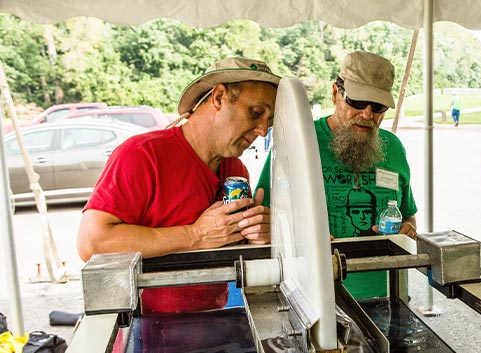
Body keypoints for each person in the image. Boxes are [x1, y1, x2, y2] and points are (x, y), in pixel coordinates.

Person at [77, 57, 278, 314]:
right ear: (218, 97)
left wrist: (255, 234)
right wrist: (195, 235)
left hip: (213, 315)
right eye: (256, 113)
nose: (263, 131)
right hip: (145, 326)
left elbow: (223, 245)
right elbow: (91, 242)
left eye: (269, 120)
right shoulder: (142, 155)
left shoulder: (235, 170)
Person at [257, 51, 417, 300]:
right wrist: (303, 238)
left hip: (388, 296)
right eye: (357, 101)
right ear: (335, 93)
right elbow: (266, 223)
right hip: (314, 301)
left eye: (378, 107)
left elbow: (408, 215)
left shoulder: (393, 147)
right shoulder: (297, 143)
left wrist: (407, 230)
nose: (367, 114)